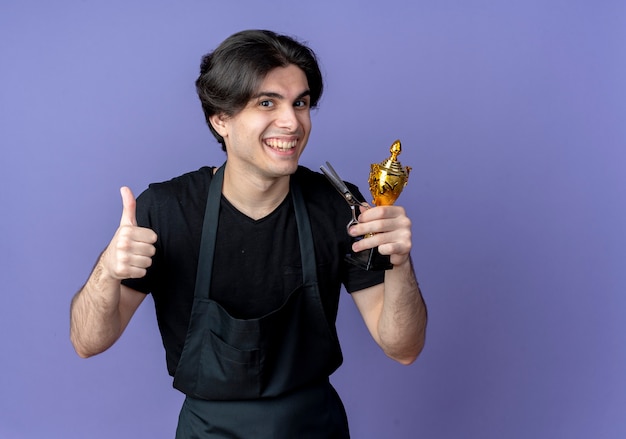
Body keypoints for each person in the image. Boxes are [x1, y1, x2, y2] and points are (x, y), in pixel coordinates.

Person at [70, 29, 427, 438]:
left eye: (301, 103)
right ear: (220, 118)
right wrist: (108, 272)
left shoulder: (336, 206)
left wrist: (398, 262)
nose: (292, 122)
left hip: (313, 426)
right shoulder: (166, 210)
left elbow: (404, 348)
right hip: (209, 431)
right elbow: (87, 342)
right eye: (266, 103)